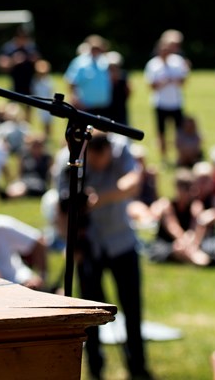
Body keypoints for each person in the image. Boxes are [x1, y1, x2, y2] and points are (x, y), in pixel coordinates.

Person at [56, 132, 152, 380]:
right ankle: (95, 368)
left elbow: (132, 184)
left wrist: (99, 199)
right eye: (95, 160)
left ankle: (138, 367)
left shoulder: (121, 151)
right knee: (91, 312)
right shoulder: (71, 161)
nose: (100, 165)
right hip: (88, 246)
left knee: (132, 309)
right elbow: (62, 208)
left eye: (104, 158)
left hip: (121, 242)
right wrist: (73, 245)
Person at [147, 169, 213, 267]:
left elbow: (197, 228)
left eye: (189, 188)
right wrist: (184, 242)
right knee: (175, 249)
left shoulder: (196, 206)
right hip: (169, 243)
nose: (187, 192)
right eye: (183, 188)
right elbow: (173, 227)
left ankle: (190, 257)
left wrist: (192, 244)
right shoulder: (167, 205)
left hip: (190, 243)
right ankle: (194, 259)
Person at [144, 29, 190, 163]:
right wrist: (162, 83)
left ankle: (179, 155)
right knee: (161, 133)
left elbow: (184, 80)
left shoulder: (178, 61)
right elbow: (150, 86)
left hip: (176, 102)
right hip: (160, 103)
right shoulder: (153, 65)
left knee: (179, 132)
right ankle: (164, 157)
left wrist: (175, 80)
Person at [63, 34, 112, 116]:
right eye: (94, 47)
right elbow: (71, 82)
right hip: (85, 107)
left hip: (103, 107)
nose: (97, 50)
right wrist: (75, 99)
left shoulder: (104, 61)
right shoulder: (79, 62)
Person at [0, 25, 40, 97]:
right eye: (21, 37)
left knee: (30, 102)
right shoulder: (8, 47)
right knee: (13, 104)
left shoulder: (31, 47)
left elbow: (40, 63)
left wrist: (33, 60)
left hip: (30, 82)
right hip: (14, 81)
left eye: (25, 37)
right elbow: (1, 64)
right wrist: (13, 61)